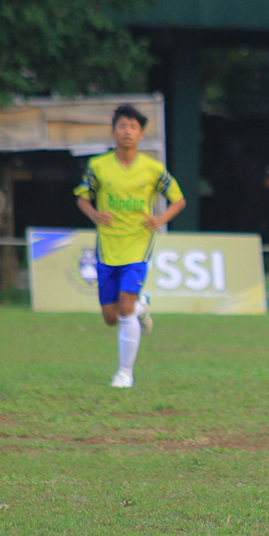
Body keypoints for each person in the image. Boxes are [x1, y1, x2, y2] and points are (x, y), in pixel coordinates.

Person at [74, 104, 186, 388]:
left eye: (133, 127)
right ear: (114, 132)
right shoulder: (99, 166)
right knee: (111, 317)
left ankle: (125, 373)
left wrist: (161, 219)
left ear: (140, 134)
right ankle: (141, 307)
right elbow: (82, 198)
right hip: (108, 247)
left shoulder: (153, 169)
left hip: (138, 245)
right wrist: (94, 214)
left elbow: (179, 200)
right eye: (123, 126)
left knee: (124, 308)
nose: (127, 132)